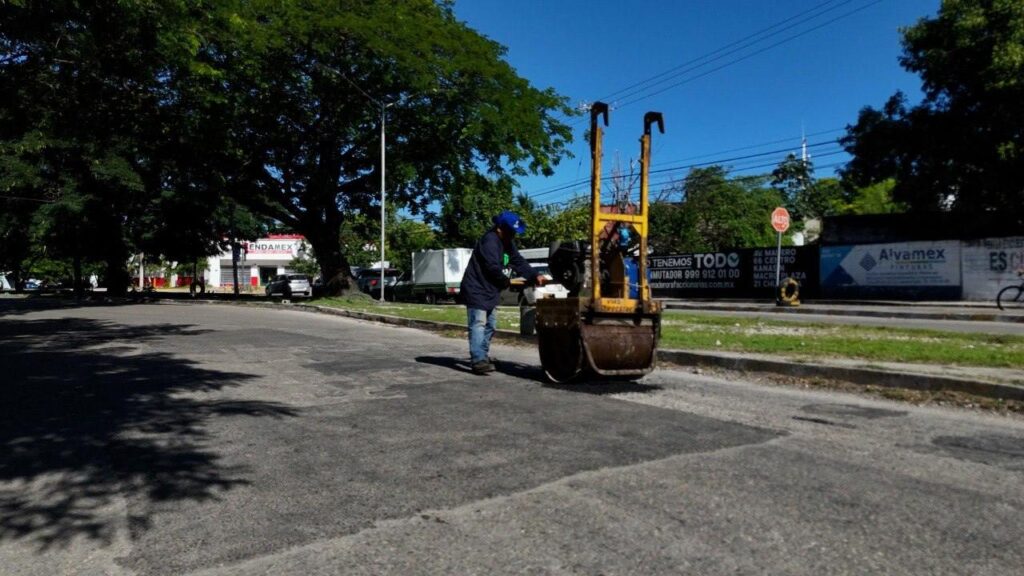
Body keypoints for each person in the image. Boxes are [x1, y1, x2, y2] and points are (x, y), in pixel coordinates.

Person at [460, 210, 546, 374]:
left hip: (490, 290)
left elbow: (517, 261)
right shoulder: (490, 241)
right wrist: (505, 281)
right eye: (510, 231)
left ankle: (482, 356)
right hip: (476, 289)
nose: (513, 235)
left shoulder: (507, 242)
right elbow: (492, 267)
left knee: (490, 325)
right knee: (478, 324)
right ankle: (478, 360)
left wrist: (534, 275)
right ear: (500, 228)